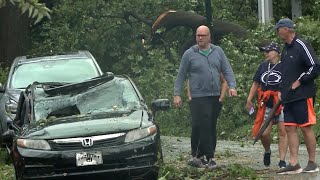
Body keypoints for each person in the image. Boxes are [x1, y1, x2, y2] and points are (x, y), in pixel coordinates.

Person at [173, 25, 237, 169]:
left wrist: (232, 86)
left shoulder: (218, 51)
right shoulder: (189, 54)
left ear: (209, 37)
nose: (200, 38)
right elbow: (181, 75)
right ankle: (209, 157)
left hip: (214, 95)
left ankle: (198, 156)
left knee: (208, 126)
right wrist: (177, 94)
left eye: (203, 35)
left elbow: (227, 70)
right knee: (203, 123)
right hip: (198, 96)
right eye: (198, 35)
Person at [273, 18, 320, 174]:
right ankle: (294, 163)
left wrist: (300, 81)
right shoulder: (284, 49)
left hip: (302, 95)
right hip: (288, 97)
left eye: (278, 29)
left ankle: (312, 162)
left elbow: (315, 66)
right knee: (290, 129)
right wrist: (281, 89)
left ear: (286, 29)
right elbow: (284, 72)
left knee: (306, 127)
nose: (277, 32)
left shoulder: (302, 45)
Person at [246, 42, 288, 169]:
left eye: (268, 51)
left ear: (276, 52)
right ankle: (268, 150)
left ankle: (282, 160)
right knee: (264, 133)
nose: (266, 53)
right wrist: (249, 99)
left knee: (282, 132)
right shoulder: (263, 66)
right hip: (266, 104)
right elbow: (255, 83)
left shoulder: (284, 66)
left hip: (281, 103)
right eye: (265, 51)